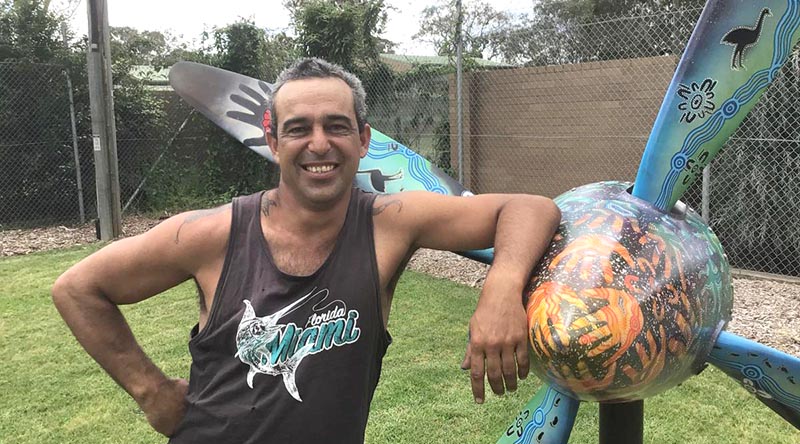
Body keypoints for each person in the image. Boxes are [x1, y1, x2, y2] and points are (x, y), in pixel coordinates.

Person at [52, 58, 561, 443]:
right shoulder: (211, 234)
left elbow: (529, 208)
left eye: (336, 126)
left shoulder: (390, 224)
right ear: (273, 141)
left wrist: (500, 286)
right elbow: (78, 288)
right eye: (299, 128)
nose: (319, 144)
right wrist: (152, 392)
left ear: (363, 139)